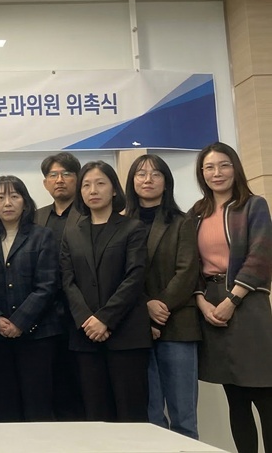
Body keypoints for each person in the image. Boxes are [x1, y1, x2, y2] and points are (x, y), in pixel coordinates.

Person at [190, 142, 272, 453]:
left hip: (247, 302)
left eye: (224, 165)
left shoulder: (253, 205)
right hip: (210, 303)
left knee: (264, 393)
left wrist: (233, 299)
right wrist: (201, 300)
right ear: (202, 173)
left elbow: (261, 255)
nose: (217, 173)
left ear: (235, 168)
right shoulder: (197, 213)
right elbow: (189, 262)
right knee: (235, 399)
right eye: (209, 167)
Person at [60, 160, 149, 422]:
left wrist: (105, 319)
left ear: (114, 190)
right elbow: (67, 281)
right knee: (95, 415)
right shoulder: (71, 233)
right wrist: (88, 320)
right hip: (85, 336)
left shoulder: (133, 228)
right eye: (86, 185)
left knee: (131, 416)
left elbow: (134, 277)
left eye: (100, 183)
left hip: (126, 334)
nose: (93, 190)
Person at [125, 154, 200, 439]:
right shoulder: (120, 223)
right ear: (132, 182)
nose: (148, 180)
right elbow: (120, 275)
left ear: (166, 182)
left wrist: (161, 306)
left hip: (177, 324)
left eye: (156, 174)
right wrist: (145, 305)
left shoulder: (182, 222)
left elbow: (187, 271)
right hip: (135, 326)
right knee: (150, 415)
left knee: (184, 416)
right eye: (141, 174)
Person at [0, 176, 60, 421]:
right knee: (4, 407)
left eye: (14, 196)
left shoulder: (42, 236)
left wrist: (19, 321)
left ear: (25, 202)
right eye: (0, 197)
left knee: (38, 406)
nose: (7, 203)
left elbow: (47, 285)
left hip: (37, 336)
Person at [34, 151, 85, 420]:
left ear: (78, 178)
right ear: (45, 183)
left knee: (81, 388)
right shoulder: (36, 217)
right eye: (53, 175)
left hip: (81, 315)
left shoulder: (90, 214)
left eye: (66, 174)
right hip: (44, 318)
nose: (59, 180)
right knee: (49, 388)